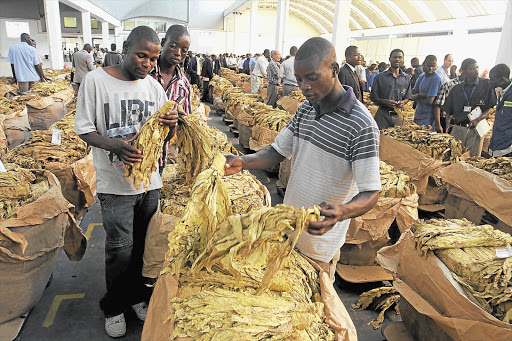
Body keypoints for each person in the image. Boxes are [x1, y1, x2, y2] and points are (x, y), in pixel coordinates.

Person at [224, 37, 380, 282]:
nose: (304, 86)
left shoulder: (361, 125)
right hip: (288, 229)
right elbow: (276, 151)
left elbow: (371, 193)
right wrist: (244, 162)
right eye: (299, 80)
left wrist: (341, 212)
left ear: (334, 70)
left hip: (319, 244)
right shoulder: (306, 110)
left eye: (312, 77)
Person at [74, 26, 179, 338]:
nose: (147, 63)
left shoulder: (154, 88)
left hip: (150, 182)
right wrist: (114, 145)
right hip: (114, 183)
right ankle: (114, 306)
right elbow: (84, 129)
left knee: (144, 248)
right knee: (120, 249)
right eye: (141, 55)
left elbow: (164, 137)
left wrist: (172, 126)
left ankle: (135, 297)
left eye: (153, 58)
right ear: (125, 48)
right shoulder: (96, 81)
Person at [149, 24, 192, 172]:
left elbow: (186, 121)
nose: (178, 53)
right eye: (173, 46)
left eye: (184, 50)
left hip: (160, 157)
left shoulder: (184, 85)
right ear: (163, 43)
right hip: (132, 154)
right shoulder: (145, 73)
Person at [442, 58, 496, 156]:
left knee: (472, 161)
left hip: (476, 130)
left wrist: (479, 119)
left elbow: (491, 107)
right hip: (459, 129)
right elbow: (448, 111)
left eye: (477, 67)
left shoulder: (486, 85)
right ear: (463, 71)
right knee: (454, 158)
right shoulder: (456, 89)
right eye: (471, 68)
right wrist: (447, 127)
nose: (476, 71)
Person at [370, 49, 412, 129]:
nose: (397, 59)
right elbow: (373, 97)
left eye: (400, 57)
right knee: (380, 138)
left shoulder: (406, 78)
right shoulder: (380, 77)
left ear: (403, 60)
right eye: (395, 57)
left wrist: (402, 102)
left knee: (396, 139)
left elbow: (408, 97)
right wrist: (385, 101)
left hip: (398, 116)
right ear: (390, 59)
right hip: (383, 115)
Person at [412, 55, 442, 130]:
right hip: (418, 115)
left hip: (428, 118)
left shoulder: (436, 79)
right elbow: (413, 92)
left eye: (433, 66)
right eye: (428, 65)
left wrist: (418, 96)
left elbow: (430, 101)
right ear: (423, 65)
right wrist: (423, 95)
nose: (431, 68)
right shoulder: (422, 76)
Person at [488, 64, 512, 157]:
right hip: (497, 143)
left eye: (492, 79)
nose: (490, 82)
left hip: (508, 147)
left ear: (502, 79)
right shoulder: (502, 92)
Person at [433, 66, 464, 133]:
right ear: (461, 70)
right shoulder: (449, 85)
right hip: (445, 121)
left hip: (462, 123)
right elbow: (438, 105)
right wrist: (438, 125)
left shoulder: (473, 88)